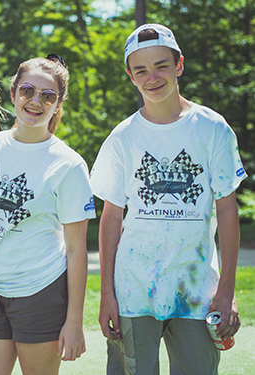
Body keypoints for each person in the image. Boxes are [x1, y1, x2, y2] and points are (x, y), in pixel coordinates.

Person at [90, 24, 246, 374]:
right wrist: (106, 295)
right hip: (132, 289)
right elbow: (111, 219)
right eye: (141, 70)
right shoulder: (122, 137)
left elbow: (226, 211)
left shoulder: (212, 128)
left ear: (179, 66)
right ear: (130, 76)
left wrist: (226, 290)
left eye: (161, 66)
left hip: (195, 289)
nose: (152, 77)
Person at [0, 54, 96, 375]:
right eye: (28, 91)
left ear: (58, 104)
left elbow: (76, 250)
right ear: (13, 92)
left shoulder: (69, 165)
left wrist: (74, 321)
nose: (36, 102)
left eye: (48, 96)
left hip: (42, 291)